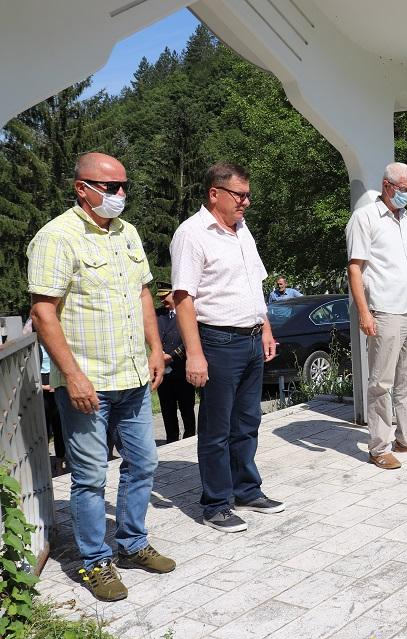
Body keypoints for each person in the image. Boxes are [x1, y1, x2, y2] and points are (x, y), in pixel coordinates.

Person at [27, 152, 175, 602]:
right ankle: (95, 562)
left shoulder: (127, 233)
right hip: (87, 384)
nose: (120, 194)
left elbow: (144, 293)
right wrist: (71, 376)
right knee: (90, 477)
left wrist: (155, 349)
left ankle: (132, 543)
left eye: (124, 185)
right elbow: (43, 312)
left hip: (132, 376)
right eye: (111, 187)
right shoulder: (56, 237)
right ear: (82, 189)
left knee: (143, 464)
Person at [170, 162, 284, 533]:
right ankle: (216, 504)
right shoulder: (192, 234)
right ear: (214, 193)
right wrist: (195, 353)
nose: (246, 202)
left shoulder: (242, 230)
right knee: (216, 428)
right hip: (218, 341)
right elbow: (183, 298)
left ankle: (247, 490)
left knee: (248, 421)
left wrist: (266, 329)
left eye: (248, 195)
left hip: (251, 338)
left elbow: (255, 287)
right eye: (240, 195)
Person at [346, 162, 407, 470]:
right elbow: (355, 269)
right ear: (386, 186)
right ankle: (379, 447)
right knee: (381, 383)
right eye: (404, 189)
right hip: (385, 310)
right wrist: (364, 312)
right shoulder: (364, 218)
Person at [23, 320, 66, 476]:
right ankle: (44, 464)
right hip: (41, 383)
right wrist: (44, 386)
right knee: (43, 428)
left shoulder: (55, 342)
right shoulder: (33, 346)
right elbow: (26, 372)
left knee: (59, 427)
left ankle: (60, 462)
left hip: (56, 383)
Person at [155, 287, 195, 443]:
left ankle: (190, 438)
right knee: (167, 408)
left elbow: (190, 340)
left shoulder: (186, 312)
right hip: (163, 371)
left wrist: (171, 356)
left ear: (173, 294)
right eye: (160, 297)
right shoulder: (158, 314)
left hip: (182, 368)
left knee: (186, 407)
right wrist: (158, 353)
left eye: (165, 296)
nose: (162, 300)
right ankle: (171, 440)